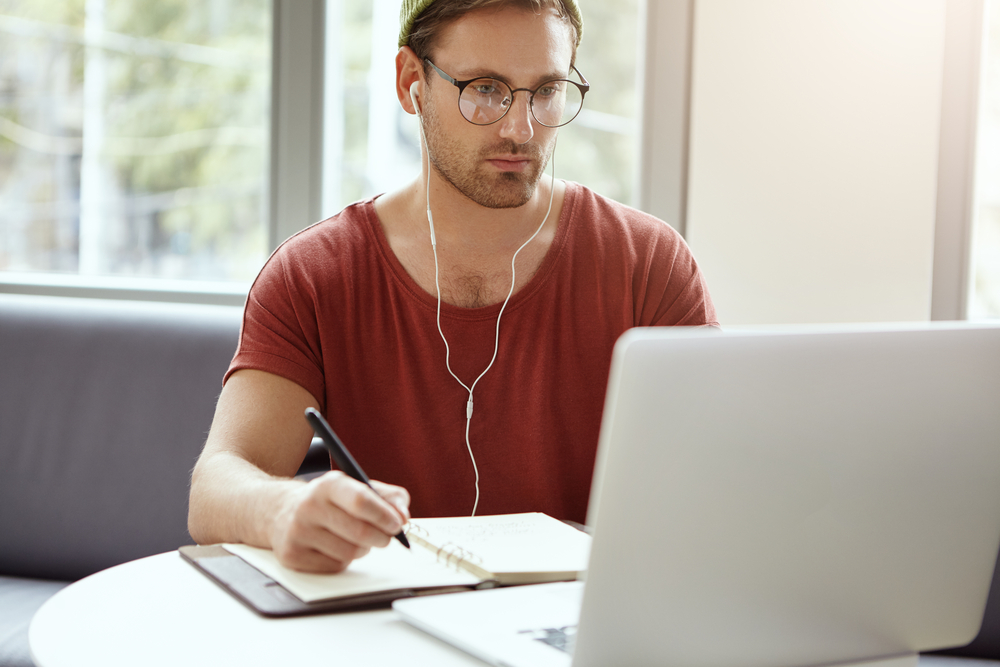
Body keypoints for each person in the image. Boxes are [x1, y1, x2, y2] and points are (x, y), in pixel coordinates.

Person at [188, 0, 717, 574]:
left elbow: (726, 476)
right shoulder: (313, 274)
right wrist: (281, 508)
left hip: (581, 616)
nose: (521, 129)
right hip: (388, 616)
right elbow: (214, 488)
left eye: (546, 91)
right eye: (486, 89)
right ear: (411, 83)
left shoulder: (648, 263)